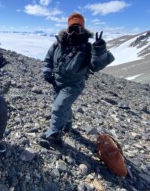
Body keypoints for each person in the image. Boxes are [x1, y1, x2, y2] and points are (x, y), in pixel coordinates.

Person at [40, 12, 115, 147]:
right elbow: (49, 59)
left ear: (83, 29)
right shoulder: (58, 43)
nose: (74, 33)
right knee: (64, 105)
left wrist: (99, 50)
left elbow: (95, 66)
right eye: (71, 29)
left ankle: (54, 134)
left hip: (74, 84)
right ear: (67, 29)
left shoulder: (87, 48)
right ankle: (68, 125)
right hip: (57, 82)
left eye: (78, 29)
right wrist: (47, 72)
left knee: (58, 107)